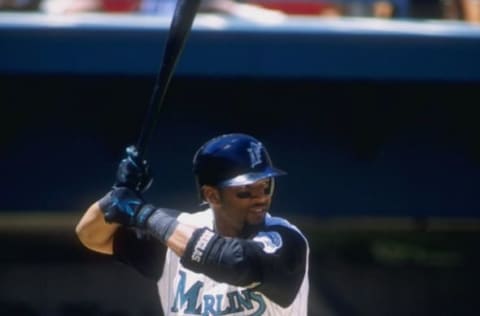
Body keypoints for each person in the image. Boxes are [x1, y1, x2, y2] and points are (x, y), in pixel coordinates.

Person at [75, 133, 310, 315]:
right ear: (212, 196)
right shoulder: (177, 232)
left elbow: (236, 262)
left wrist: (143, 214)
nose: (261, 198)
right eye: (246, 191)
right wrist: (117, 194)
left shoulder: (285, 240)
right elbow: (91, 235)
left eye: (266, 186)